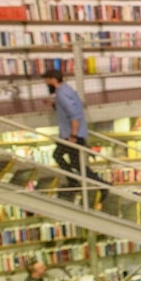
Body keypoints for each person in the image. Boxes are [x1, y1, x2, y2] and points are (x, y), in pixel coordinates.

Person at [41, 69, 106, 202]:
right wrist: (54, 104)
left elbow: (74, 115)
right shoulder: (66, 90)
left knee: (60, 157)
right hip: (73, 134)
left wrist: (73, 136)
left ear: (53, 79)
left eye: (47, 81)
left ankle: (96, 185)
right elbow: (73, 107)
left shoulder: (61, 94)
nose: (46, 84)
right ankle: (78, 182)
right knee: (74, 164)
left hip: (71, 136)